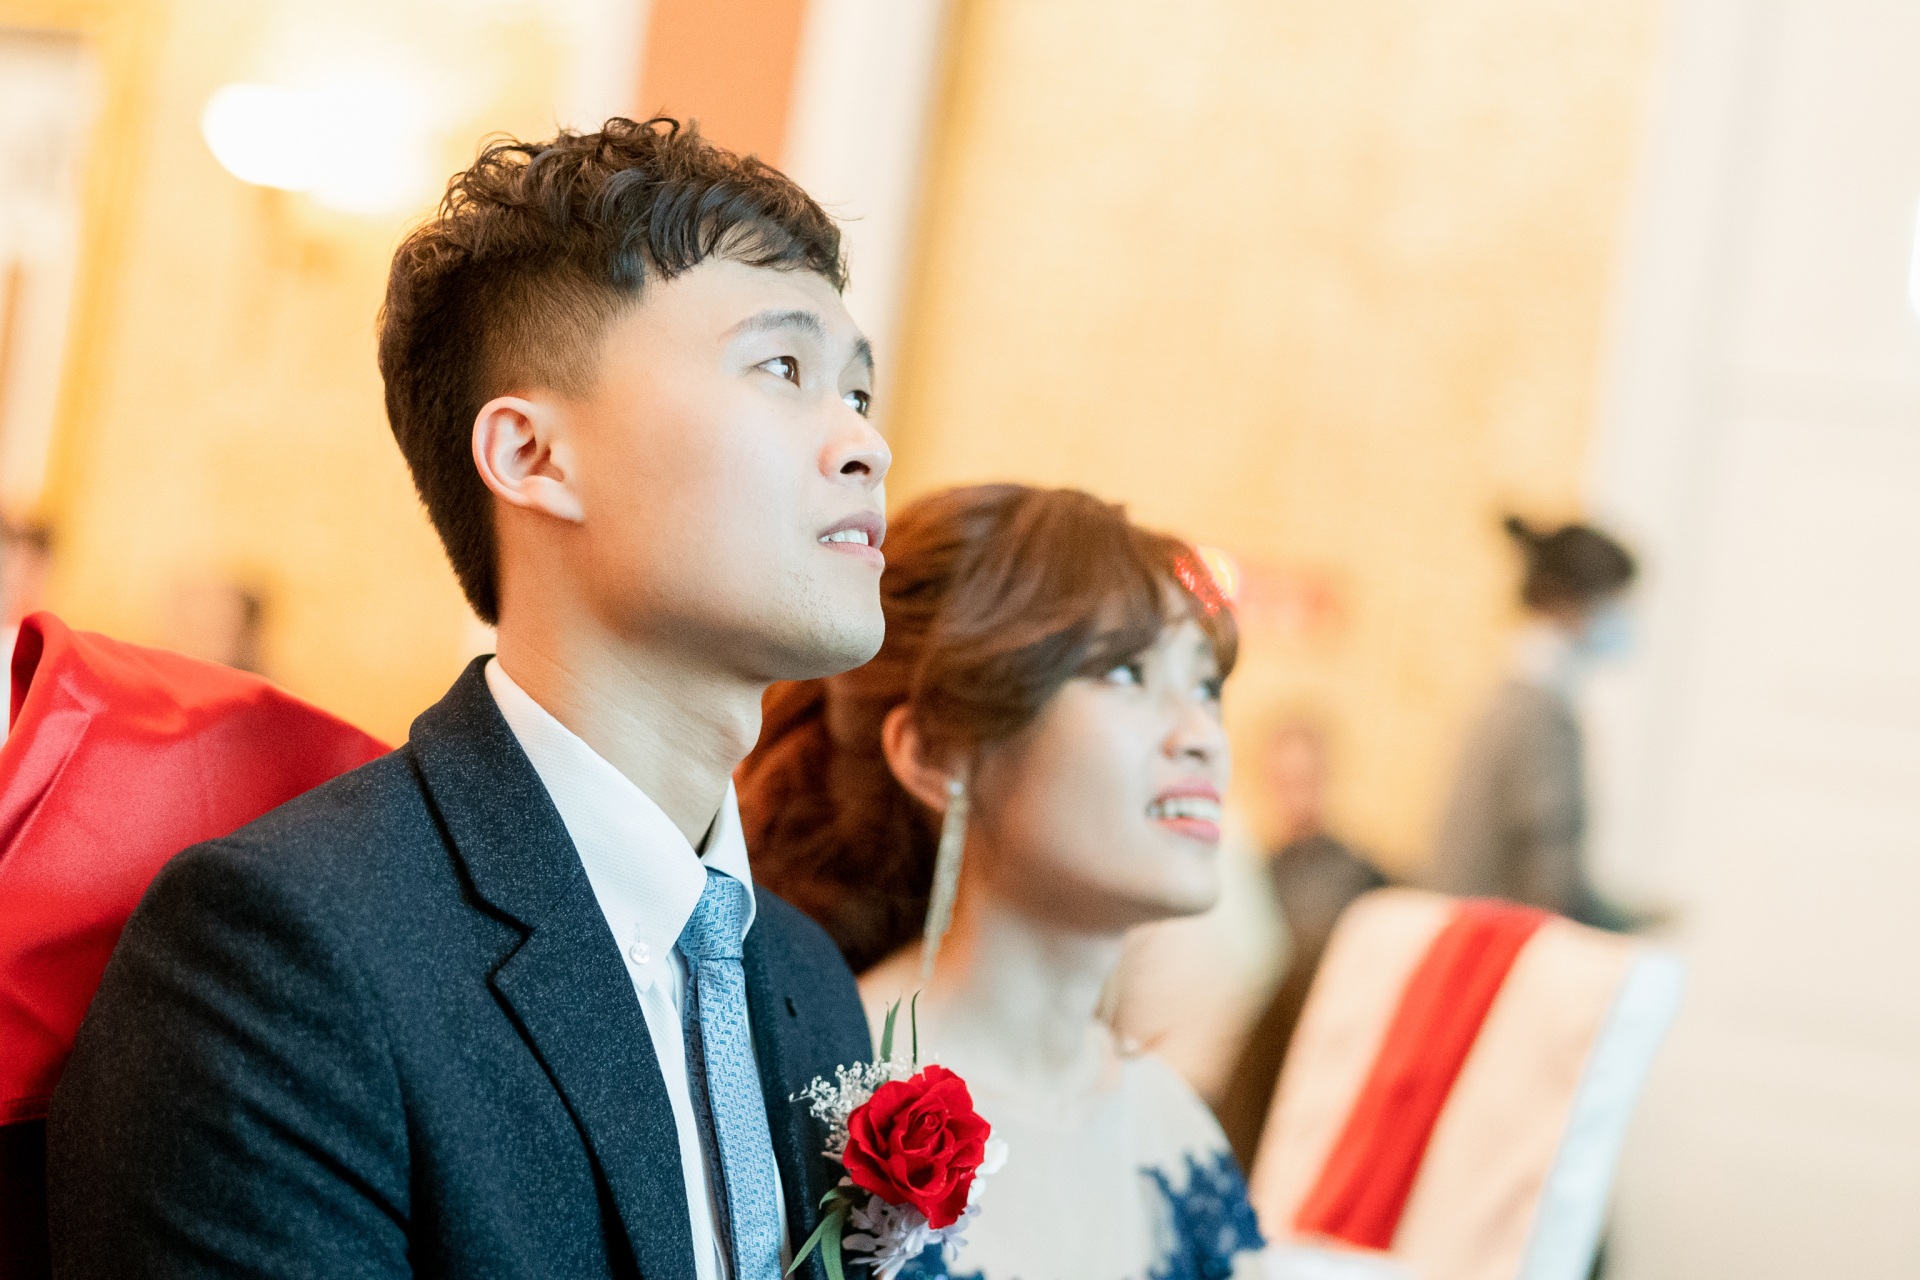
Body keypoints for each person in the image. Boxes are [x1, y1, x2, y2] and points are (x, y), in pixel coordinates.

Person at [48, 118, 883, 1279]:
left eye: (859, 388)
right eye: (783, 369)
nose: (863, 443)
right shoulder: (291, 954)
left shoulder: (805, 979)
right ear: (533, 455)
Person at [738, 484, 1266, 1280]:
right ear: (936, 753)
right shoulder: (821, 1095)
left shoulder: (1171, 1133)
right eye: (1126, 673)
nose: (1203, 739)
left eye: (1204, 687)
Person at [1428, 515, 1641, 930]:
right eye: (1613, 604)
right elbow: (1549, 874)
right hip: (1490, 938)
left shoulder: (1512, 698)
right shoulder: (1539, 716)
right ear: (1567, 603)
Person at [1215, 721, 1387, 1170]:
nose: (1297, 795)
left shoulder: (1363, 878)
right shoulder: (1249, 880)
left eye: (1305, 779)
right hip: (1263, 1078)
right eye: (1286, 781)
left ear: (1324, 777)